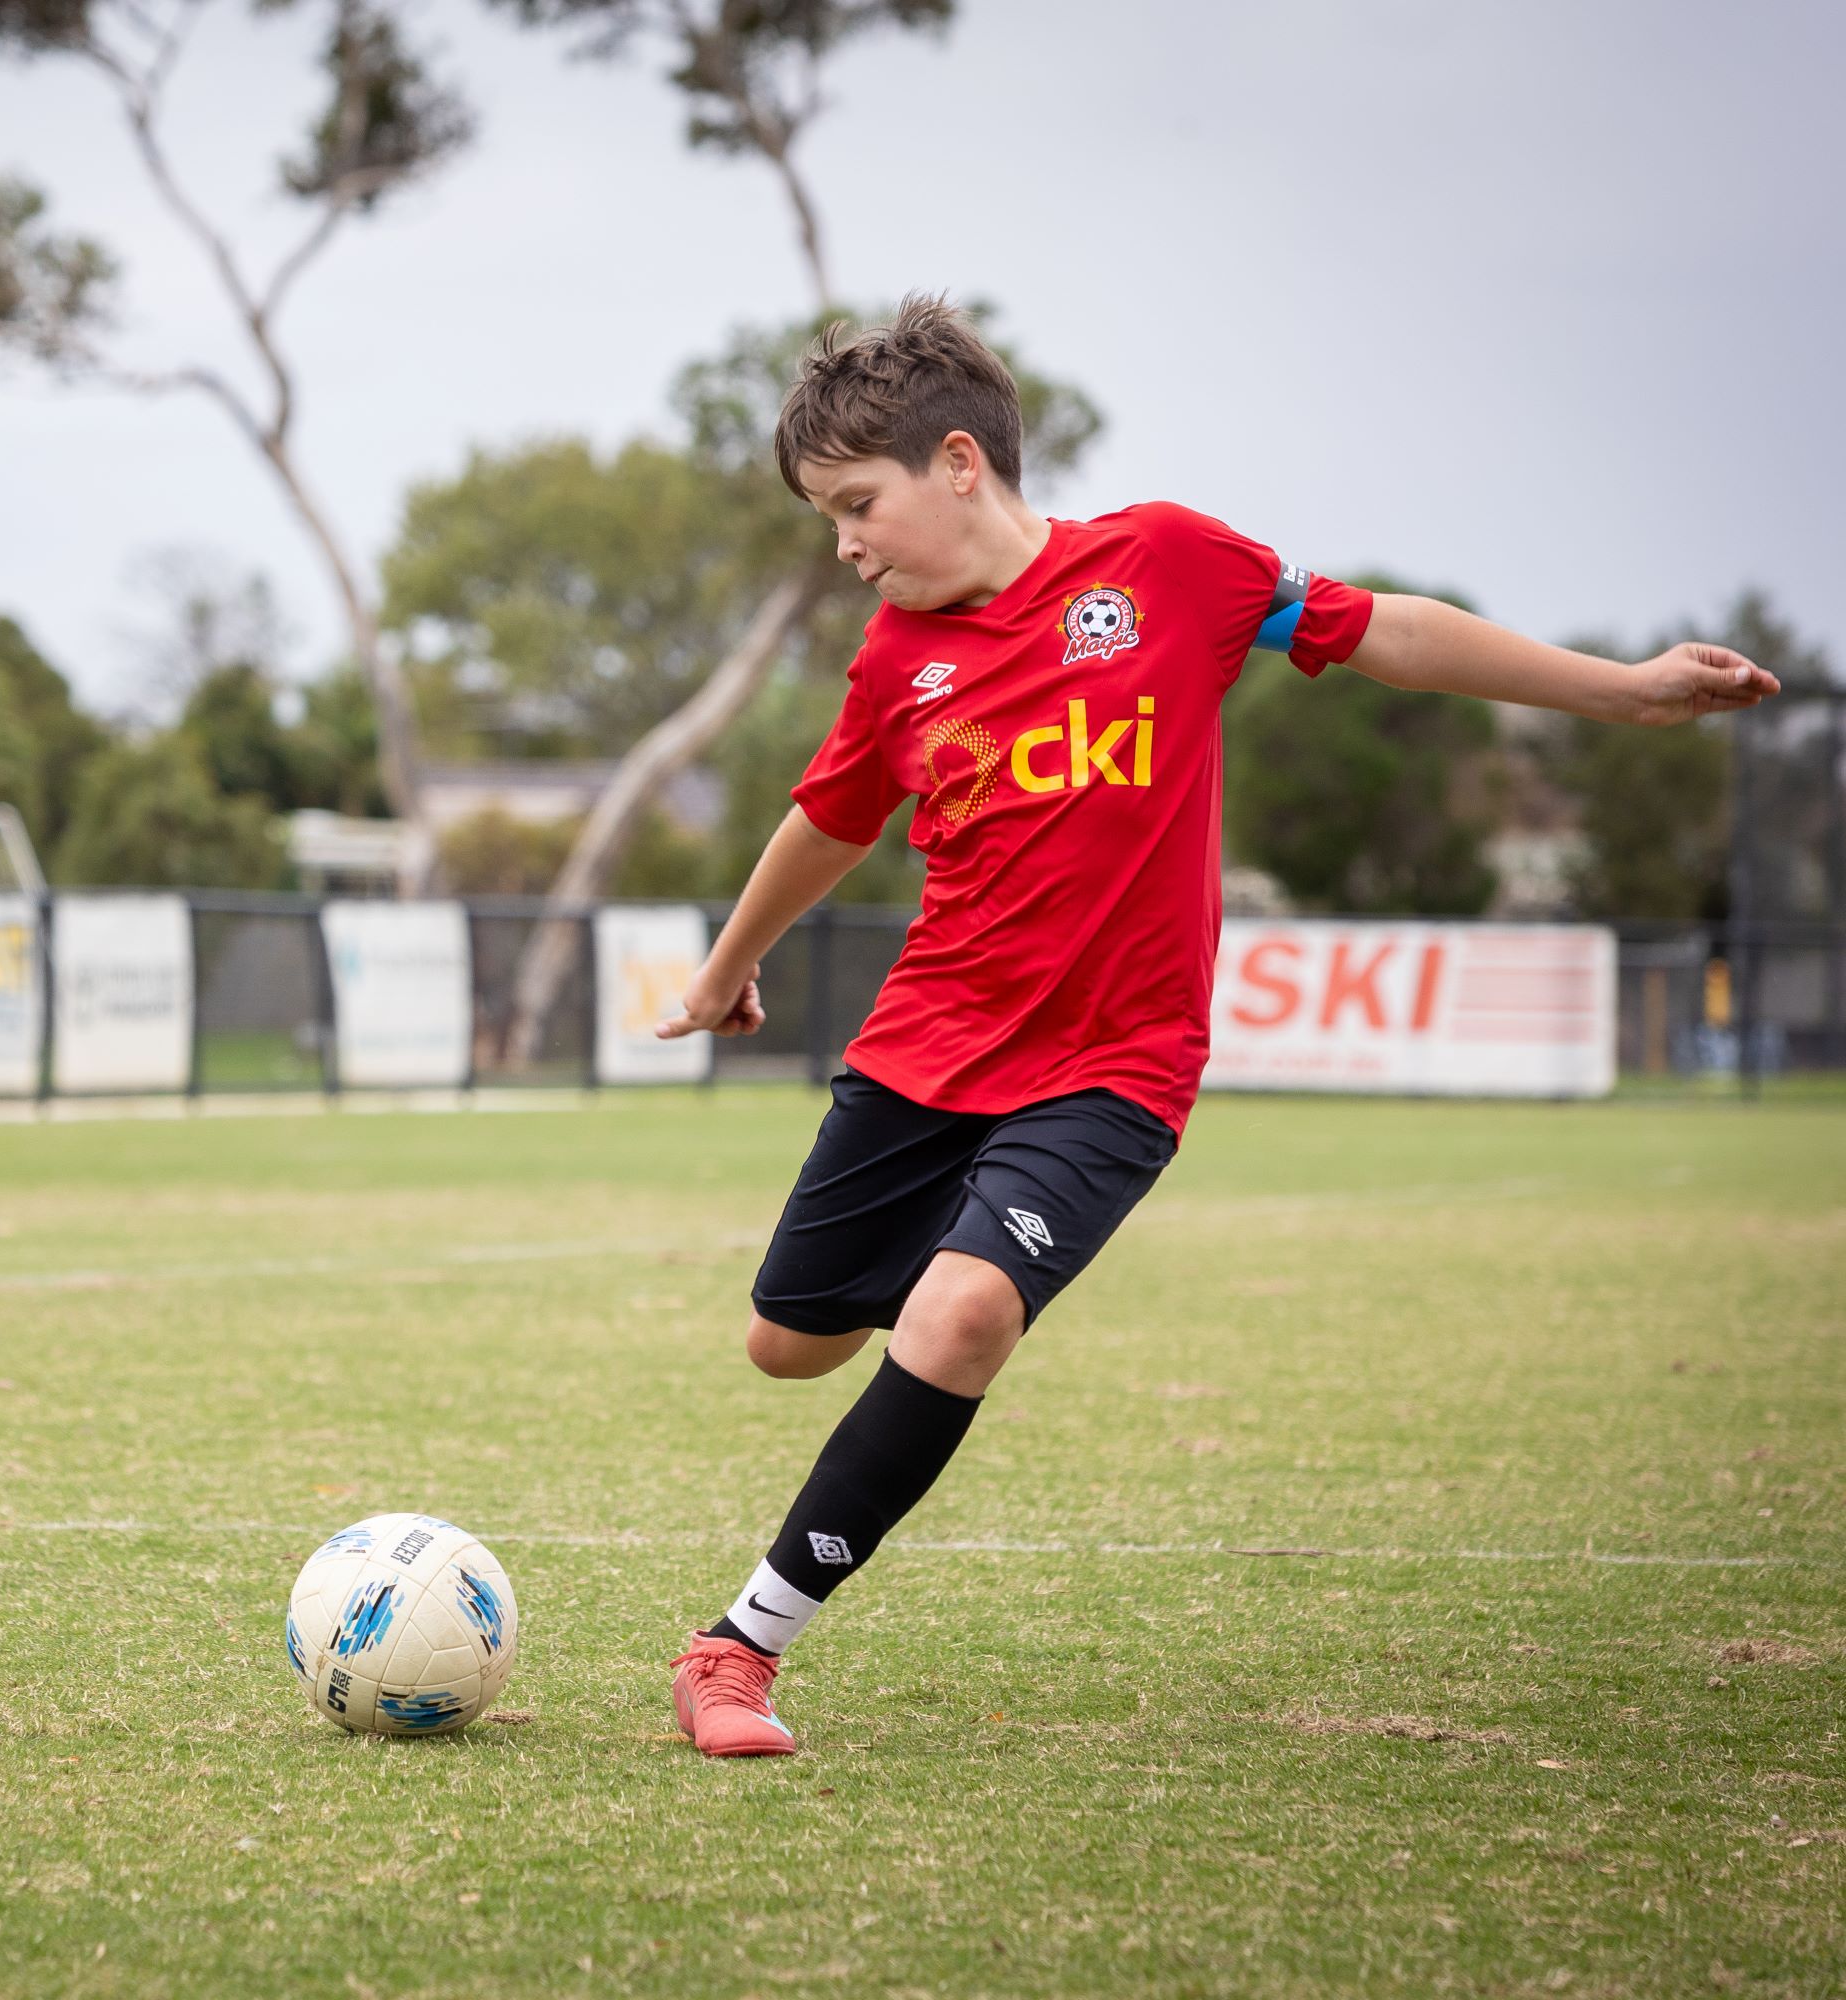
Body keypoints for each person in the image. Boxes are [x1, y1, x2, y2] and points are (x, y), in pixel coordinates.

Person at [652, 295, 1782, 1758]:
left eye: (857, 507)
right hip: (926, 1052)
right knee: (785, 1347)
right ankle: (928, 1284)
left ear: (957, 463)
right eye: (826, 521)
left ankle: (737, 1653)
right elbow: (830, 819)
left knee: (963, 1313)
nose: (848, 546)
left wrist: (1616, 691)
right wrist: (725, 967)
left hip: (1115, 1073)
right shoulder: (894, 663)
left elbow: (1399, 633)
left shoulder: (1171, 564)